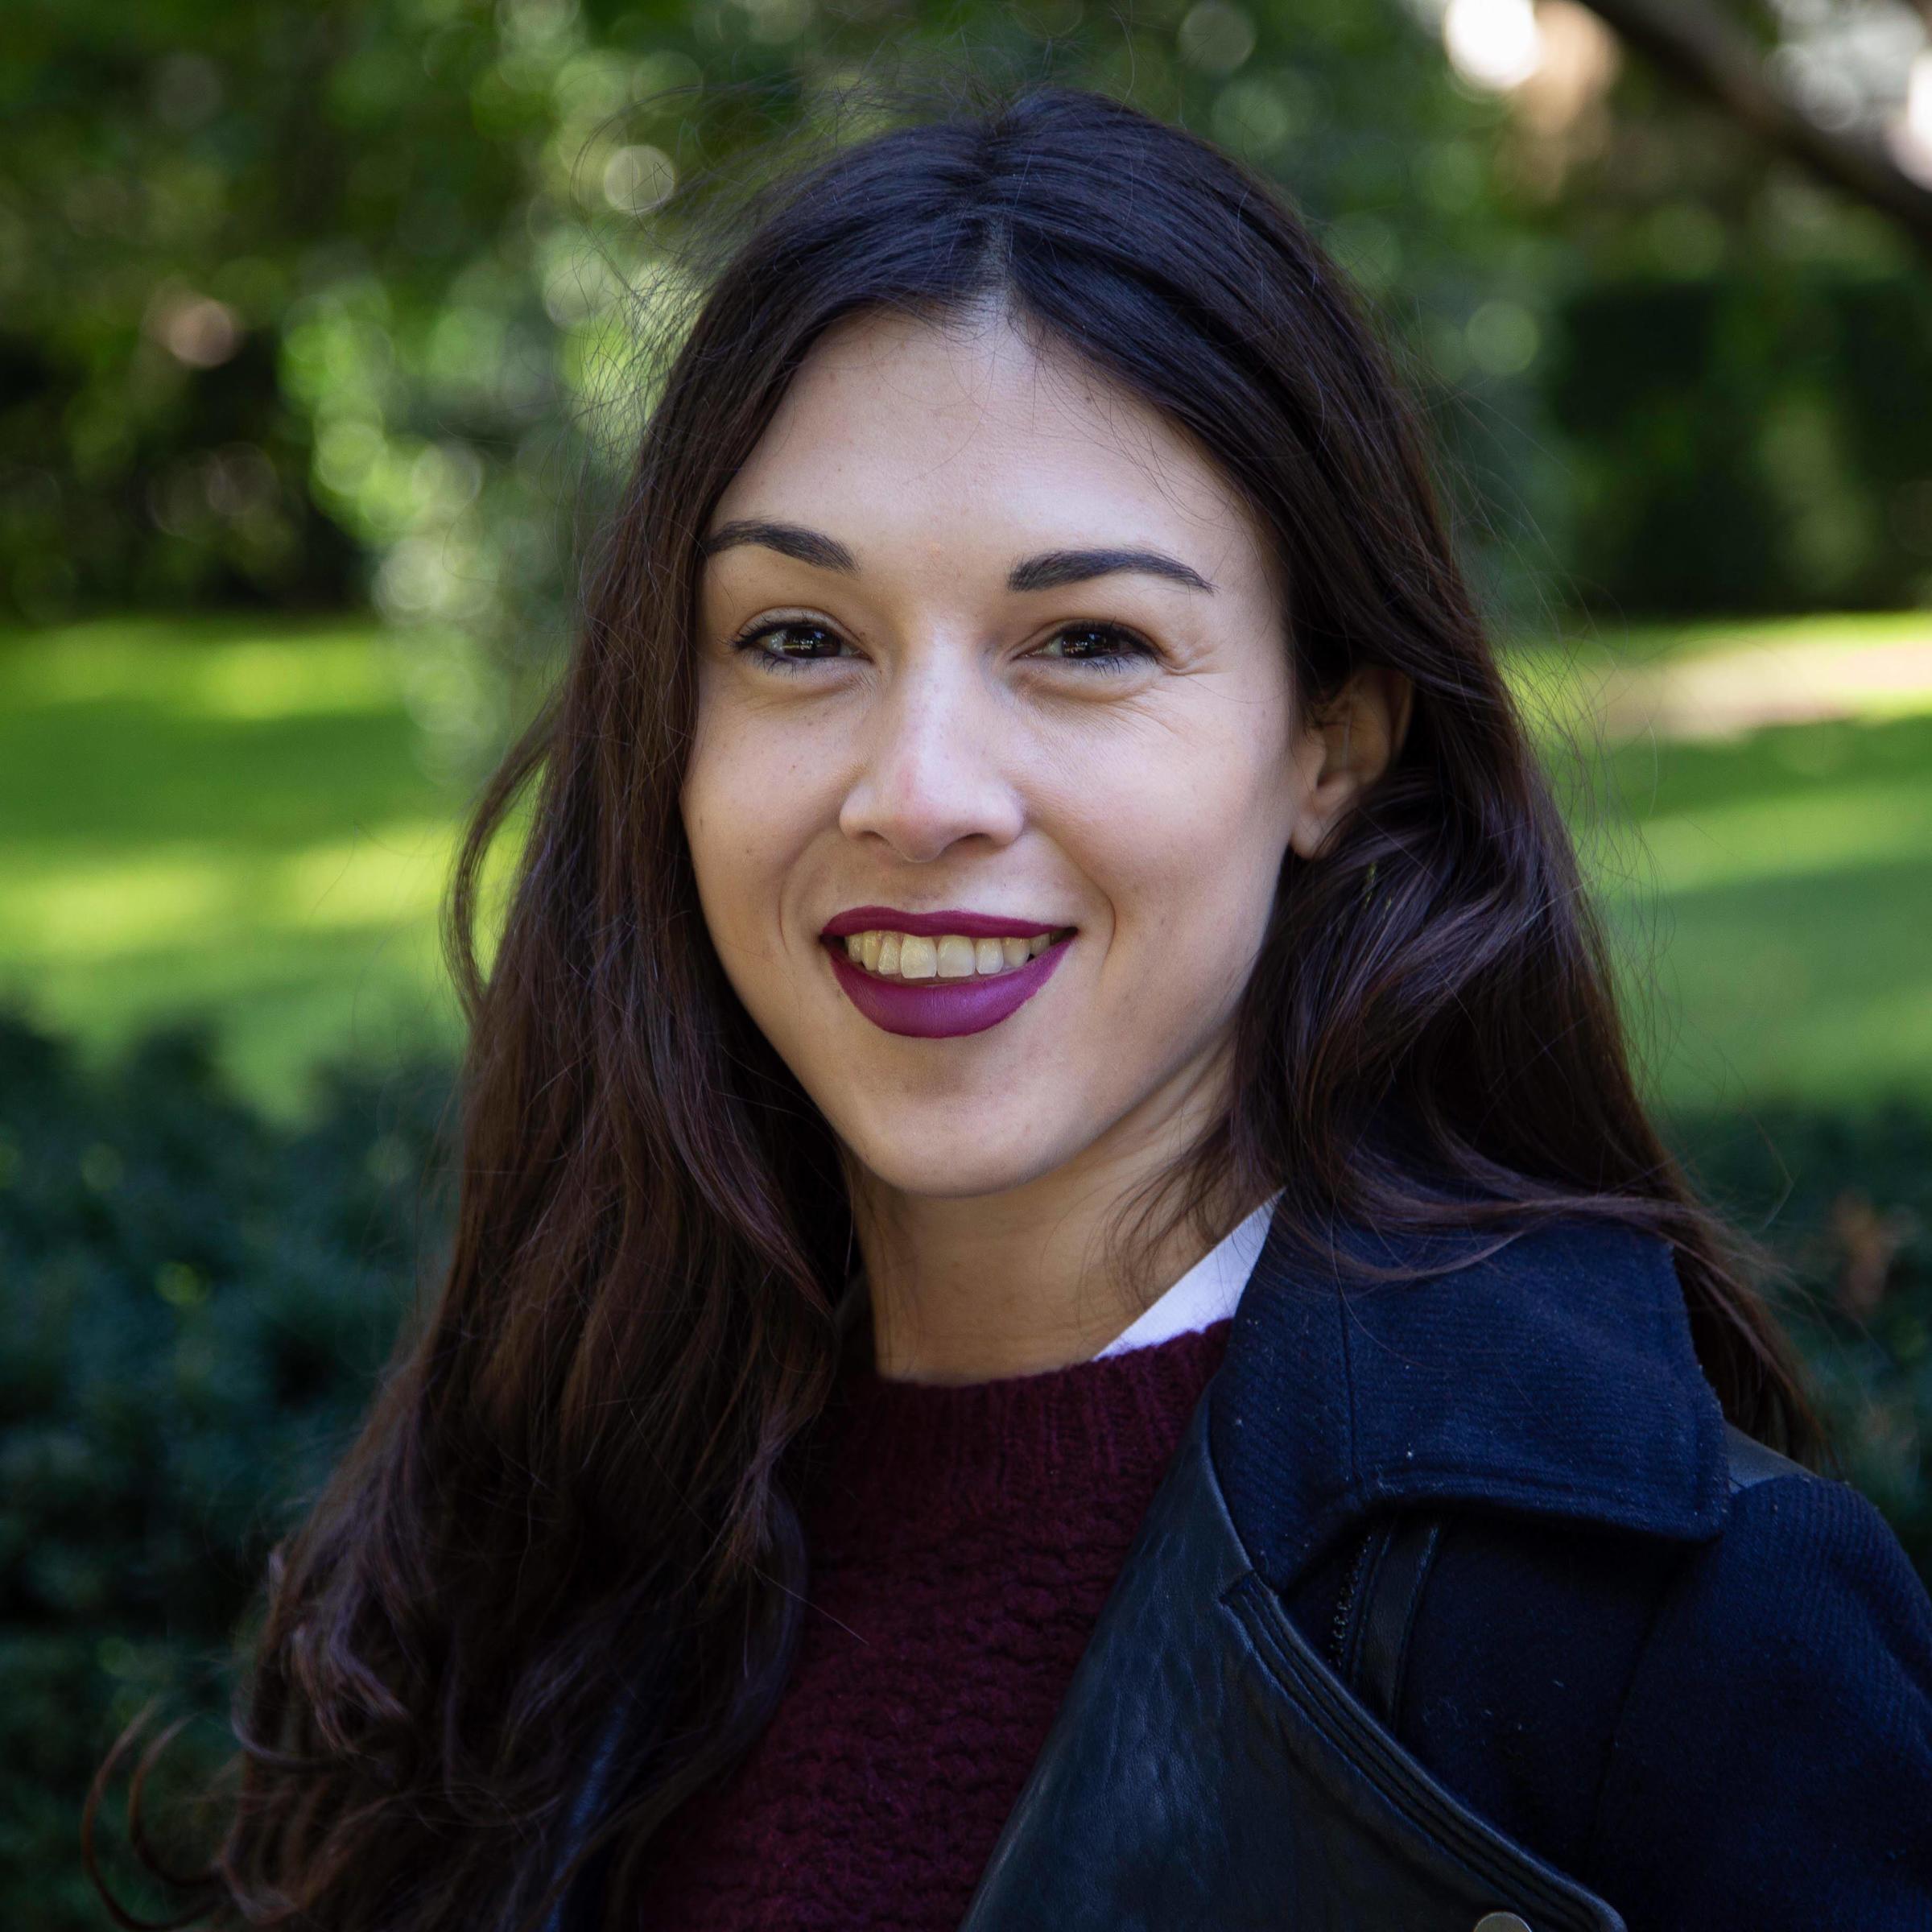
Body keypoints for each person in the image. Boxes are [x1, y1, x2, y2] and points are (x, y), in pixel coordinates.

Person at [94, 83, 1932, 1932]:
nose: (920, 788)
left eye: (1087, 643)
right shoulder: (552, 1502)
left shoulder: (1670, 1630)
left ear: (1332, 747)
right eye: (799, 638)